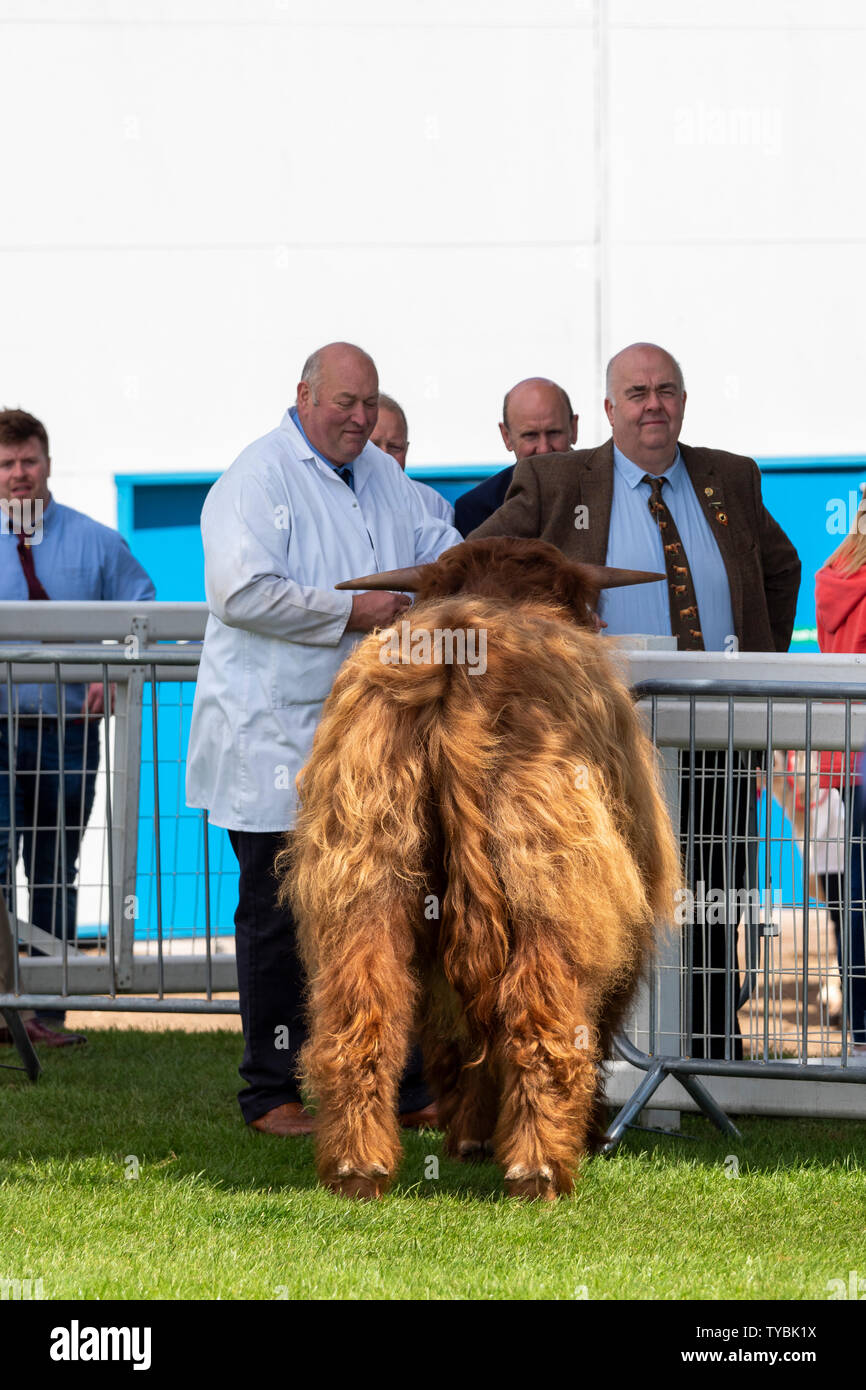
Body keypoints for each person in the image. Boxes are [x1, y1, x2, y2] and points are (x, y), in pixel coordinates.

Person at [470, 342, 801, 1058]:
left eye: (667, 390)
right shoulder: (555, 481)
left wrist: (759, 663)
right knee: (602, 899)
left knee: (714, 897)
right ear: (611, 408)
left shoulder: (731, 479)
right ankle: (601, 1055)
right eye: (639, 392)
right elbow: (477, 567)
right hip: (597, 743)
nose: (655, 404)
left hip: (720, 740)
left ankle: (712, 1050)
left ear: (683, 401)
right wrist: (549, 617)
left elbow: (781, 565)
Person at [186, 342, 464, 1136]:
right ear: (303, 395)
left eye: (369, 403)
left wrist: (459, 575)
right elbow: (240, 590)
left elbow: (436, 538)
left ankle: (407, 1091)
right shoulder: (256, 476)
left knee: (388, 914)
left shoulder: (379, 473)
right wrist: (351, 612)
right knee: (278, 920)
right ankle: (270, 1093)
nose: (359, 417)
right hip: (273, 743)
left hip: (371, 743)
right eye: (344, 401)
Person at [0, 408, 155, 1048]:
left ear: (48, 464)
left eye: (27, 461)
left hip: (66, 731)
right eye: (6, 465)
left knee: (53, 867)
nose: (17, 475)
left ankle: (49, 1010)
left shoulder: (96, 543)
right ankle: (3, 1005)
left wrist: (111, 670)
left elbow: (142, 612)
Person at [814, 491, 866, 1052]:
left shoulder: (836, 568)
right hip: (858, 756)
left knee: (854, 894)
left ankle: (859, 1023)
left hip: (848, 754)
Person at [454, 377, 578, 536]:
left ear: (574, 429)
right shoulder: (477, 509)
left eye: (554, 433)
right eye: (530, 435)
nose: (544, 449)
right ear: (506, 436)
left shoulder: (609, 489)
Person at [371, 392, 455, 524]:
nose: (385, 456)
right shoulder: (336, 500)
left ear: (406, 449)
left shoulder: (433, 504)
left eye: (395, 447)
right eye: (373, 446)